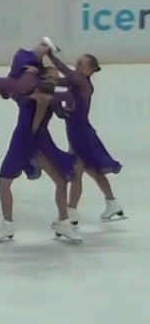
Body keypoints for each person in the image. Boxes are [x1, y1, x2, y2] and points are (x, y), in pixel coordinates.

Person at [0, 81, 80, 244]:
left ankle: (63, 222)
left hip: (38, 145)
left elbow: (65, 104)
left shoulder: (50, 101)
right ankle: (7, 225)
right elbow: (9, 88)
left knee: (60, 180)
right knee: (3, 182)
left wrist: (46, 105)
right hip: (21, 144)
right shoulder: (25, 97)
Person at [47, 51, 125, 223]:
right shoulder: (74, 82)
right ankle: (112, 202)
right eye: (78, 62)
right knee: (92, 170)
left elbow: (65, 73)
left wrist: (50, 54)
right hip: (78, 131)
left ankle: (71, 211)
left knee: (77, 171)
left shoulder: (83, 83)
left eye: (81, 63)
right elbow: (59, 82)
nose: (77, 65)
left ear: (90, 69)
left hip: (81, 134)